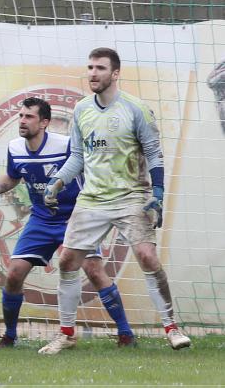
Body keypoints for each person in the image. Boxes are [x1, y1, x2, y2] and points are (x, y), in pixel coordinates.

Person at [41, 47, 191, 354]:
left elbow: (153, 153)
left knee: (147, 257)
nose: (92, 73)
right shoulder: (82, 110)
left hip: (131, 196)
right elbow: (78, 157)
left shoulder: (136, 109)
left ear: (115, 73)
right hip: (93, 200)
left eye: (99, 68)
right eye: (90, 67)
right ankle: (67, 334)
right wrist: (57, 182)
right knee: (68, 261)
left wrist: (158, 192)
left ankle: (172, 329)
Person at [0, 97, 134, 348]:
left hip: (75, 218)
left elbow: (94, 172)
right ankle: (9, 336)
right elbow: (11, 178)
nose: (22, 121)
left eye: (29, 117)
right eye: (20, 116)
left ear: (44, 122)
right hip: (41, 219)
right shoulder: (16, 148)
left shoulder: (67, 146)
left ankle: (126, 334)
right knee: (15, 274)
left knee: (94, 271)